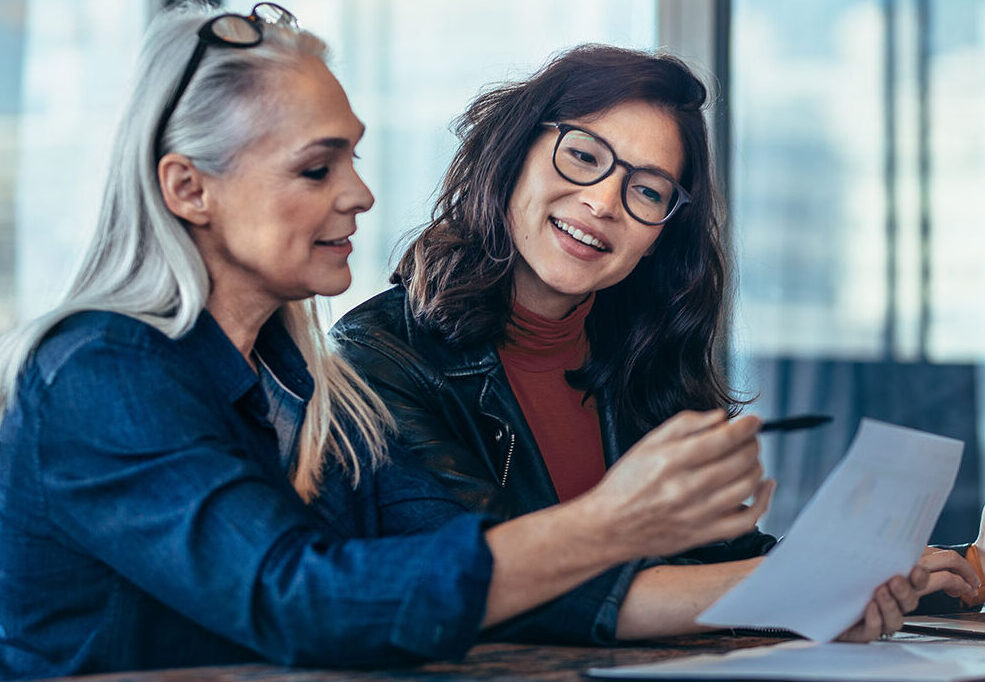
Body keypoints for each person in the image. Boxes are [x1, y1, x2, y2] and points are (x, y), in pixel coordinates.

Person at [0, 6, 889, 679]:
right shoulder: (99, 371)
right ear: (188, 189)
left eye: (351, 158)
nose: (360, 195)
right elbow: (299, 599)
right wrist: (613, 520)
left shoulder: (309, 387)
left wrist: (827, 590)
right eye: (317, 168)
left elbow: (480, 572)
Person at [333, 43, 985, 637]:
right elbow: (495, 586)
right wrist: (798, 590)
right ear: (513, 153)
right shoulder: (377, 359)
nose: (602, 202)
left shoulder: (642, 361)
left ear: (660, 236)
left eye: (646, 191)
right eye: (583, 156)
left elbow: (726, 567)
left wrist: (973, 569)